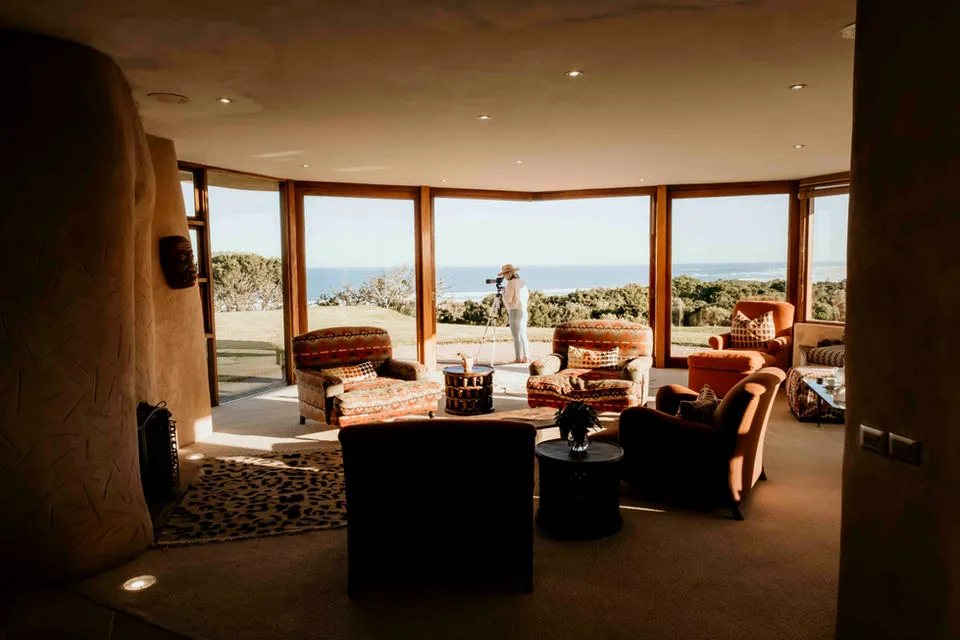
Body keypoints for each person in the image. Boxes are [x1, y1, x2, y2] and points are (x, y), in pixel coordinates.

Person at [499, 264, 531, 364]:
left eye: (504, 274)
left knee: (516, 336)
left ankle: (518, 358)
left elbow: (508, 300)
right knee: (523, 335)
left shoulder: (510, 284)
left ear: (508, 273)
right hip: (523, 311)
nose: (504, 277)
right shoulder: (522, 282)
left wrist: (503, 293)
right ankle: (526, 356)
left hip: (515, 311)